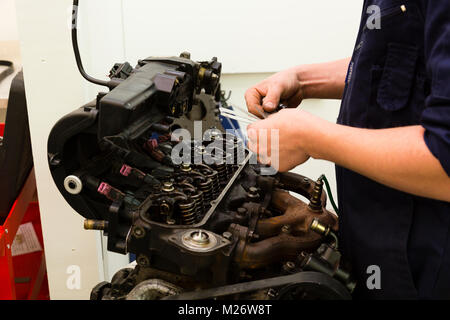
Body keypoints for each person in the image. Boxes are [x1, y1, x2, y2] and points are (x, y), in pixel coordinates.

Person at [245, 0, 450, 299]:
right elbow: (409, 62)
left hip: (427, 271)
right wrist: (304, 79)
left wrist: (310, 138)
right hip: (377, 251)